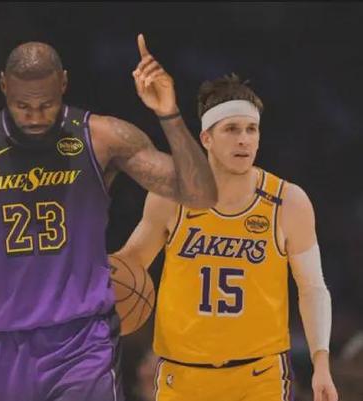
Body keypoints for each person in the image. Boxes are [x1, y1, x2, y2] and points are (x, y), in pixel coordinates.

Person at [0, 35, 218, 401]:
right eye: (23, 105)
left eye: (46, 105)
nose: (35, 116)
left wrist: (169, 114)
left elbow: (200, 195)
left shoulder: (102, 137)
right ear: (4, 85)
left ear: (64, 83)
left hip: (83, 341)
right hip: (3, 344)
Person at [115, 74, 339, 401]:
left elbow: (312, 287)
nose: (244, 140)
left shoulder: (288, 202)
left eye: (251, 129)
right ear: (206, 138)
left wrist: (321, 362)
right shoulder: (171, 197)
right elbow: (132, 262)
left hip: (258, 376)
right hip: (183, 375)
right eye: (232, 129)